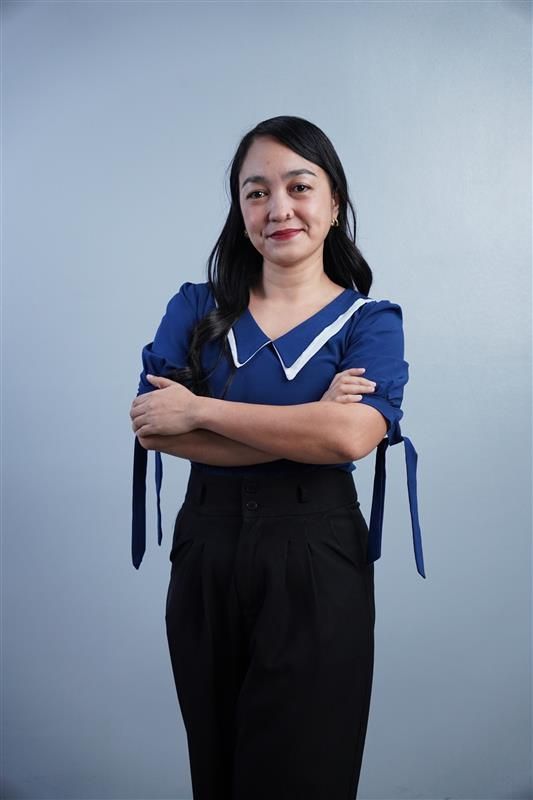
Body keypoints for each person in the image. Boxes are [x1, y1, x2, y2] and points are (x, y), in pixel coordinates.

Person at [129, 115, 426, 800]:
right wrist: (309, 420)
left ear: (333, 205)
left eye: (298, 186)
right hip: (206, 548)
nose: (278, 208)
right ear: (239, 211)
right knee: (219, 771)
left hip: (315, 551)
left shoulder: (370, 321)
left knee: (301, 777)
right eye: (255, 192)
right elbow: (154, 428)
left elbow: (351, 439)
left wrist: (201, 409)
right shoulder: (196, 307)